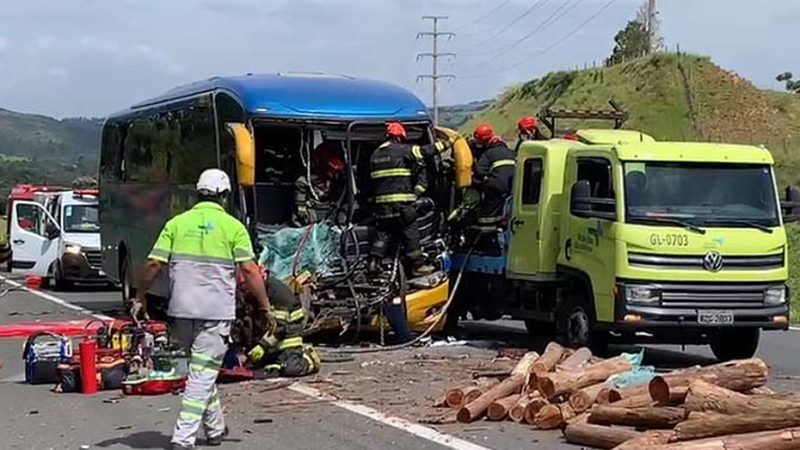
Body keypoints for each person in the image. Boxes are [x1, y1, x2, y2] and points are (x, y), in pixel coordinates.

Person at [130, 168, 274, 449]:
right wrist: (265, 306)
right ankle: (183, 439)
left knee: (200, 370)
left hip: (181, 313)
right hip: (215, 313)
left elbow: (153, 264)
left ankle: (215, 428)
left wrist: (140, 296)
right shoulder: (233, 227)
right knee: (201, 374)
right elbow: (249, 270)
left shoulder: (177, 223)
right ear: (224, 196)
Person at [368, 122, 434, 277]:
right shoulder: (403, 150)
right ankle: (418, 265)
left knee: (382, 233)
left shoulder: (375, 154)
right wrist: (448, 143)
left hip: (382, 207)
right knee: (410, 231)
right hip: (402, 204)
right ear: (399, 137)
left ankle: (374, 262)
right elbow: (425, 151)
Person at [471, 124, 516, 232]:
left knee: (488, 214)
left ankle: (485, 233)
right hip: (513, 187)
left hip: (496, 186)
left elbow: (479, 170)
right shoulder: (511, 152)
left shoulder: (488, 153)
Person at [292, 141, 347, 226]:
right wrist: (301, 205)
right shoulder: (311, 175)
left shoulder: (339, 175)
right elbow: (301, 184)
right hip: (312, 208)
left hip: (330, 208)